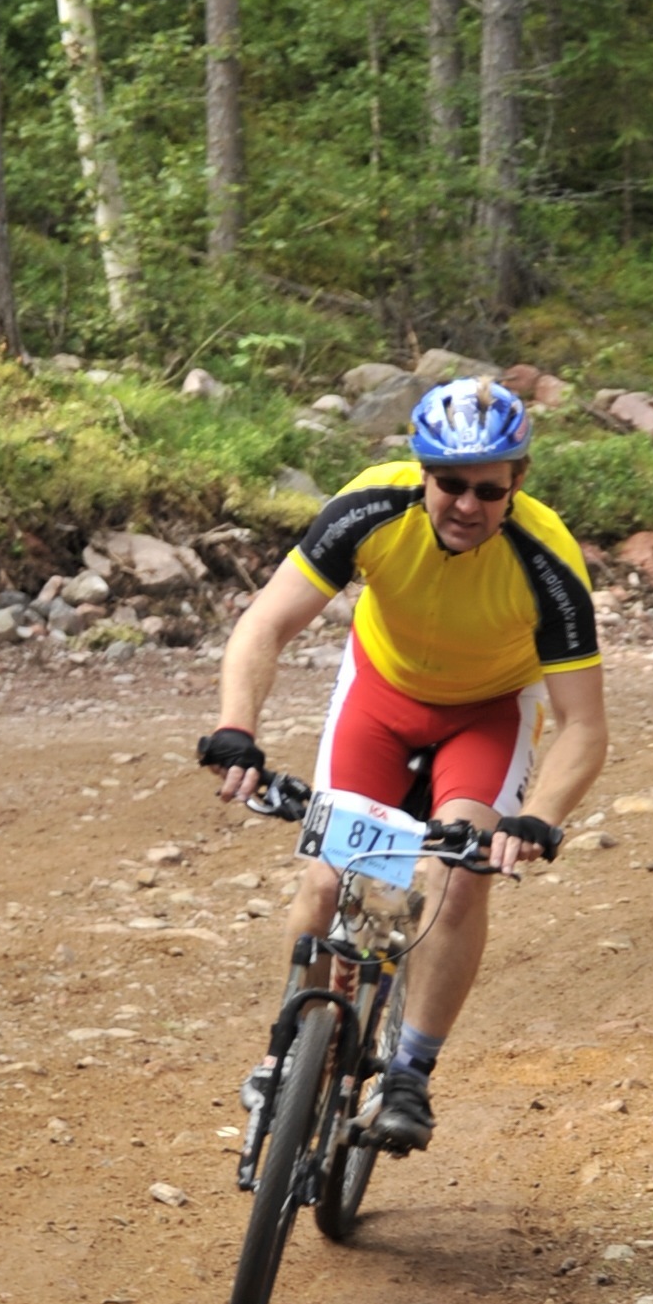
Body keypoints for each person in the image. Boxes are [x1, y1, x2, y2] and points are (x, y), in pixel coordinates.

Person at [196, 376, 609, 1152]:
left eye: (489, 490)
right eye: (450, 483)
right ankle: (284, 1057)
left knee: (456, 880)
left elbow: (583, 725)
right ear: (423, 474)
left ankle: (410, 1072)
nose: (467, 505)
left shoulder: (547, 563)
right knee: (327, 882)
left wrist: (536, 819)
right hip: (380, 700)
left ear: (517, 482)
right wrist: (236, 731)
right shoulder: (370, 508)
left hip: (487, 714)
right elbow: (264, 626)